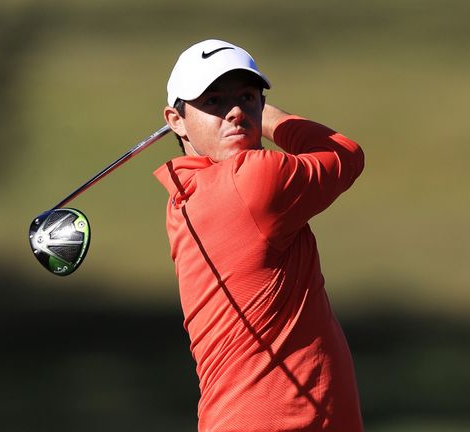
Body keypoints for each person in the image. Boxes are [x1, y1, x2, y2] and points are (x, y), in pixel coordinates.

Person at [153, 39, 365, 432]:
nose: (235, 112)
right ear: (176, 119)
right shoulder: (253, 181)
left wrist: (231, 116)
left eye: (247, 96)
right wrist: (264, 117)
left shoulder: (182, 198)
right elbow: (345, 154)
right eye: (214, 101)